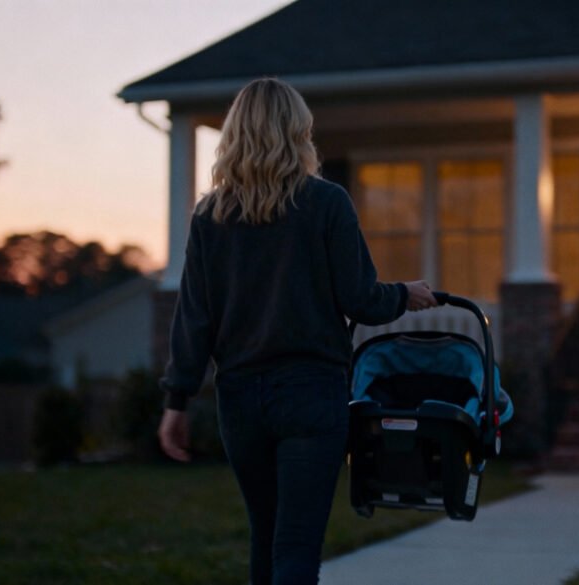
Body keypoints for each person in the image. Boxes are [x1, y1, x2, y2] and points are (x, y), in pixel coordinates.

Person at [156, 77, 438, 585]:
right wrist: (405, 294)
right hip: (312, 394)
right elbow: (359, 300)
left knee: (266, 538)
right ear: (297, 132)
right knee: (296, 546)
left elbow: (194, 318)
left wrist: (177, 401)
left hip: (240, 399)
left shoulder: (209, 217)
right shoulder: (327, 203)